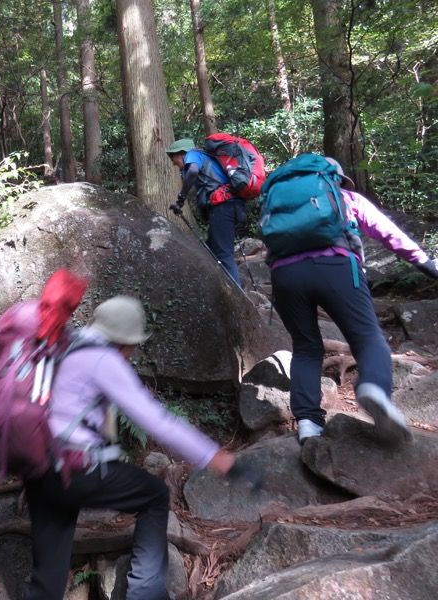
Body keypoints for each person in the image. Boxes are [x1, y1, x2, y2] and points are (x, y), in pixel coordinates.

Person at [24, 295, 263, 600]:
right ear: (124, 341)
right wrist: (219, 459)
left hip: (37, 466)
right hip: (75, 467)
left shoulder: (67, 346)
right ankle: (145, 594)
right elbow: (158, 422)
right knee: (154, 495)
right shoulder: (103, 359)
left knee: (48, 576)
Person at [269, 157, 438, 444]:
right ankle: (373, 388)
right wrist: (427, 264)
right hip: (336, 268)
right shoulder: (347, 198)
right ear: (335, 179)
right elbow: (389, 234)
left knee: (306, 347)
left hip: (284, 274)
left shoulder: (279, 205)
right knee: (367, 339)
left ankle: (308, 422)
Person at [167, 139, 246, 288]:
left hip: (224, 207)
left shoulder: (193, 154)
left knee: (223, 254)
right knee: (210, 251)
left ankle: (241, 300)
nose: (173, 162)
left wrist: (181, 199)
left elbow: (193, 171)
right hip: (232, 207)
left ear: (182, 153)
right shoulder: (206, 157)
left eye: (173, 157)